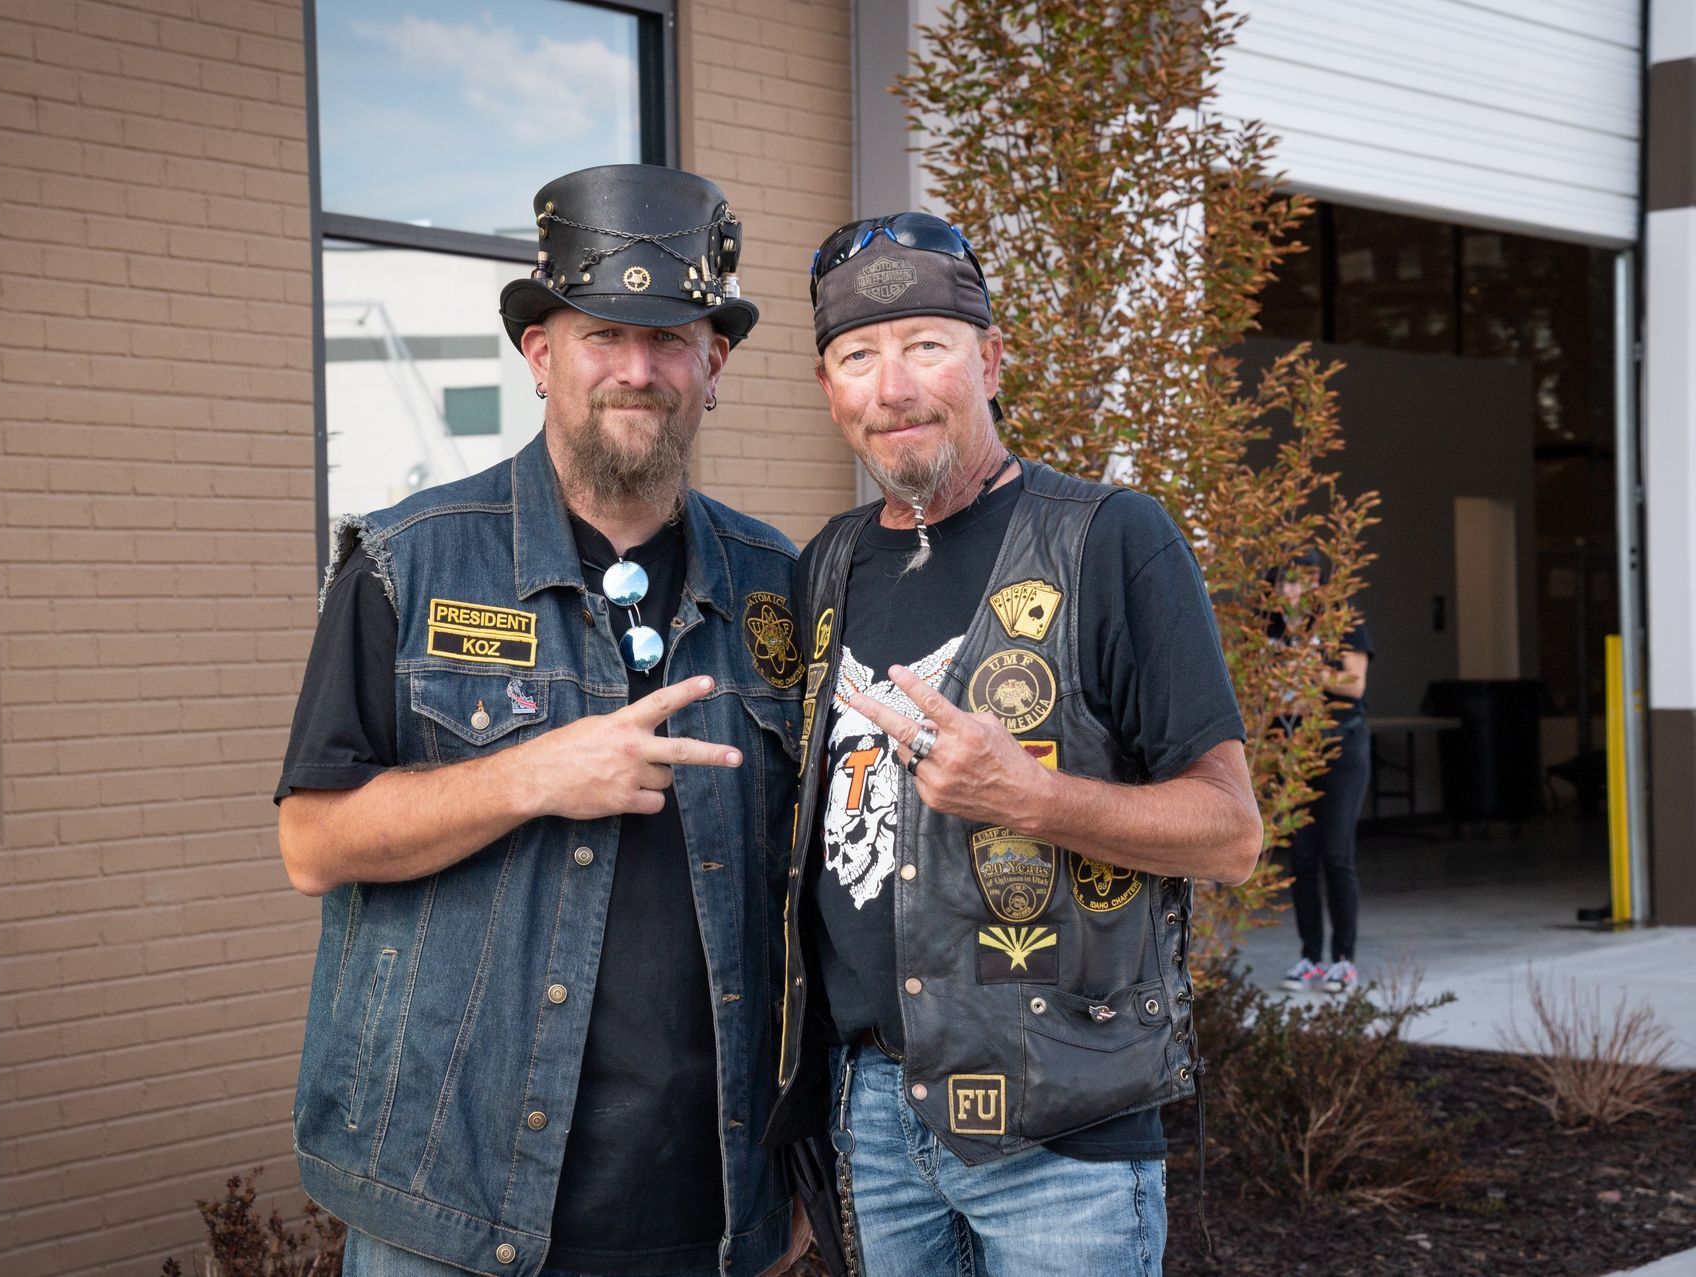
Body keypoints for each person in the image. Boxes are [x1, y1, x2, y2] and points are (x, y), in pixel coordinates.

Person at [276, 164, 807, 1277]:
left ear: (716, 364)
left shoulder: (781, 587)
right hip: (450, 1205)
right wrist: (534, 773)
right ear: (540, 355)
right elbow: (313, 843)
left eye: (673, 340)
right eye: (604, 333)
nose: (638, 369)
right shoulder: (406, 563)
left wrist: (797, 1165)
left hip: (707, 1212)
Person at [763, 212, 1262, 1277]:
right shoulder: (826, 566)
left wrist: (1033, 797)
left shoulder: (1115, 539)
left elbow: (1228, 833)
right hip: (870, 1118)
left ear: (991, 359)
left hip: (1063, 1129)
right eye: (858, 356)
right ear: (828, 388)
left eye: (926, 346)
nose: (892, 386)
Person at [1270, 552, 1375, 995]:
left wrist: (1306, 669)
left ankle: (1344, 960)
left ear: (1315, 582)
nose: (1288, 593)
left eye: (1297, 583)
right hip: (1290, 747)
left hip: (1339, 744)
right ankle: (1310, 957)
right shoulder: (1271, 629)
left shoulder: (1340, 622)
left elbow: (1355, 684)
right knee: (1301, 856)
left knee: (1336, 853)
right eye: (1281, 584)